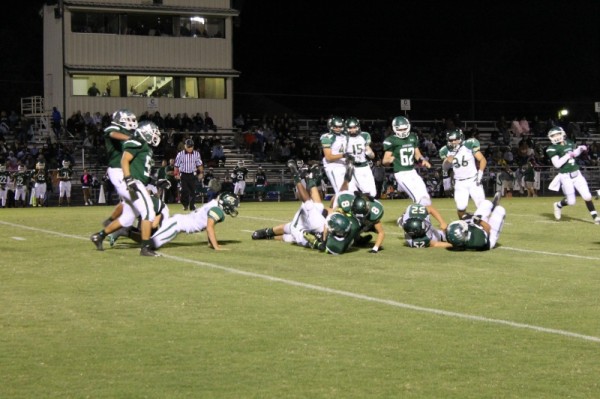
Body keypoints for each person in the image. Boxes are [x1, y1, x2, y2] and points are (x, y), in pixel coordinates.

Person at [91, 121, 162, 256]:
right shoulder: (138, 142)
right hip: (134, 182)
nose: (156, 134)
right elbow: (124, 159)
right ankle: (145, 248)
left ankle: (99, 236)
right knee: (149, 212)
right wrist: (129, 179)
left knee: (127, 218)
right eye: (153, 131)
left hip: (137, 182)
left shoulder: (145, 146)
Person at [252, 161, 326, 247]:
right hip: (310, 228)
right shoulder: (324, 227)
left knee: (290, 233)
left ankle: (267, 233)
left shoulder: (304, 238)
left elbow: (290, 235)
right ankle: (310, 180)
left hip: (300, 229)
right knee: (318, 207)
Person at [546, 126, 600, 224]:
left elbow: (574, 154)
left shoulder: (569, 142)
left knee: (587, 196)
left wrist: (580, 149)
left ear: (562, 133)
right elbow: (557, 164)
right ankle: (558, 205)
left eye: (558, 134)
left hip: (577, 174)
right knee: (571, 202)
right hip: (565, 176)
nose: (556, 137)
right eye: (554, 135)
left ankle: (595, 217)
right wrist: (567, 156)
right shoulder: (552, 148)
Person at [151, 192, 239, 251]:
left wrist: (212, 244)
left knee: (150, 240)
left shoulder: (214, 205)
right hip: (177, 224)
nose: (233, 208)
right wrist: (216, 247)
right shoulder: (217, 210)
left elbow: (209, 226)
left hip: (178, 222)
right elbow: (209, 228)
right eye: (232, 205)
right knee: (152, 243)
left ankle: (157, 216)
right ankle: (158, 213)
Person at [382, 116, 432, 206]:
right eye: (400, 129)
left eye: (404, 129)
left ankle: (409, 217)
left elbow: (417, 154)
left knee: (425, 197)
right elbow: (385, 161)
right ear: (395, 129)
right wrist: (390, 159)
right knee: (418, 198)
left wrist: (423, 160)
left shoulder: (413, 137)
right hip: (401, 173)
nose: (403, 131)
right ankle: (410, 218)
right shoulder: (391, 140)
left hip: (412, 171)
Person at [439, 128, 487, 218]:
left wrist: (480, 174)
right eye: (451, 140)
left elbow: (482, 159)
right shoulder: (445, 150)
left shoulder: (468, 145)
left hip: (473, 180)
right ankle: (464, 224)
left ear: (461, 138)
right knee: (461, 208)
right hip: (459, 183)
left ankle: (485, 228)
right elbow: (445, 168)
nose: (453, 142)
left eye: (455, 139)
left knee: (482, 206)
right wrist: (447, 161)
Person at [343, 117, 377, 198]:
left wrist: (370, 153)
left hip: (363, 166)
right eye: (350, 128)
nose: (353, 130)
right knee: (350, 192)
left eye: (354, 127)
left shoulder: (364, 135)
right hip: (349, 167)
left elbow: (372, 155)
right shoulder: (344, 138)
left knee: (372, 193)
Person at [320, 116, 349, 194]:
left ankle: (332, 206)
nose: (338, 129)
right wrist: (344, 155)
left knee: (346, 190)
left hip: (344, 165)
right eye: (336, 127)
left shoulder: (345, 136)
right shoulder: (327, 137)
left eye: (340, 127)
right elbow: (328, 157)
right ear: (331, 126)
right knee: (340, 191)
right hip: (332, 165)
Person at [174, 139, 204, 211]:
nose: (190, 148)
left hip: (192, 174)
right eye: (188, 147)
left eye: (191, 147)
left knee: (193, 191)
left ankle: (192, 206)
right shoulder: (180, 154)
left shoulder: (196, 154)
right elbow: (176, 165)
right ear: (185, 146)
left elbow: (199, 164)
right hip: (183, 174)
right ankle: (185, 205)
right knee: (185, 191)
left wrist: (201, 173)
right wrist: (176, 174)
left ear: (193, 147)